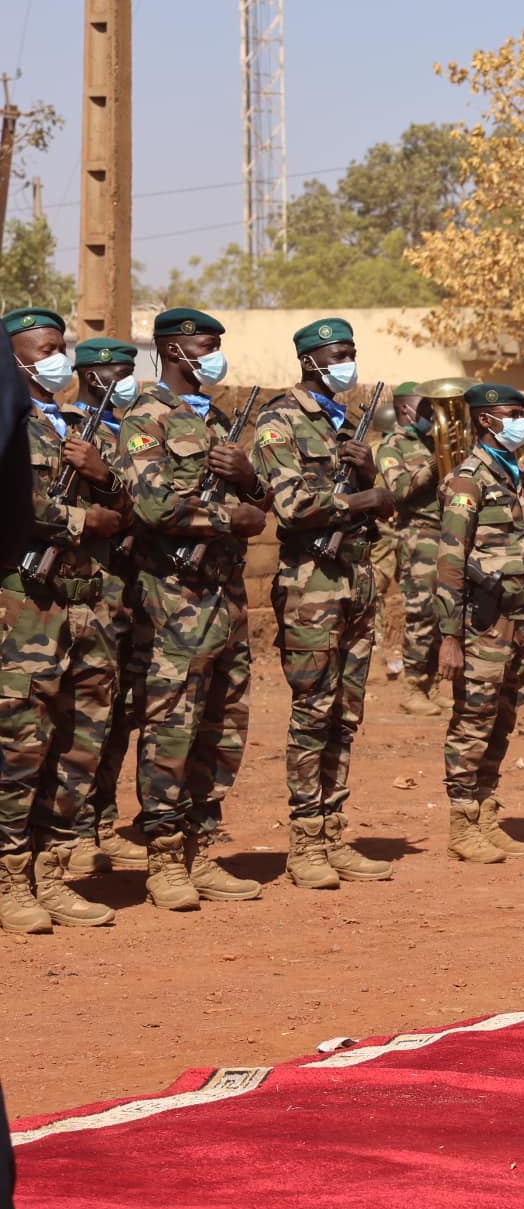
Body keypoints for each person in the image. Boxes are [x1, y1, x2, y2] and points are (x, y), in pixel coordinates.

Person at [120, 308, 272, 911]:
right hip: (173, 602)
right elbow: (151, 508)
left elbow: (258, 502)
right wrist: (228, 517)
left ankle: (202, 848)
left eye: (216, 345)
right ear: (173, 350)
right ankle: (163, 859)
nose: (214, 355)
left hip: (226, 600)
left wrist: (250, 478)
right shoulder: (144, 420)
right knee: (171, 728)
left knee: (223, 726)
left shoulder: (220, 421)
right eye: (205, 345)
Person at [248, 317, 397, 888]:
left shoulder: (345, 424)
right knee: (313, 712)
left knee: (346, 713)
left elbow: (369, 507)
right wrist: (366, 492)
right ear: (310, 360)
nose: (347, 364)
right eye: (338, 354)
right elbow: (291, 505)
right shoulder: (279, 421)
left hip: (355, 578)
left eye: (351, 353)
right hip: (311, 584)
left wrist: (368, 471)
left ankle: (334, 832)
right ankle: (305, 842)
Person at [0, 308, 129, 932]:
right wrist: (82, 521)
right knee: (21, 746)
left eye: (61, 347)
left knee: (80, 743)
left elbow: (134, 503)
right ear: (15, 359)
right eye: (44, 349)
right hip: (26, 611)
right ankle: (9, 881)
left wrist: (105, 481)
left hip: (90, 607)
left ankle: (52, 875)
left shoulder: (84, 423)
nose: (57, 359)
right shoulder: (8, 426)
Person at [434, 382, 524, 863]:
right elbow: (450, 562)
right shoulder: (468, 479)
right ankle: (461, 824)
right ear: (485, 419)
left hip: (519, 617)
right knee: (472, 722)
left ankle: (486, 815)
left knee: (502, 719)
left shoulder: (516, 475)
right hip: (483, 622)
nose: (520, 420)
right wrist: (449, 636)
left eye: (522, 412)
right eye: (510, 412)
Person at [70, 337, 151, 877]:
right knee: (81, 715)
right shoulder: (71, 430)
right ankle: (72, 831)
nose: (125, 380)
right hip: (87, 590)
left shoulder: (130, 432)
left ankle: (101, 820)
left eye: (130, 370)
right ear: (92, 375)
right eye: (117, 371)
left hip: (131, 591)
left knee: (121, 712)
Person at [375, 382, 449, 718]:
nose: (432, 416)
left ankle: (431, 685)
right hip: (418, 535)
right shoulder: (392, 446)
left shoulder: (432, 442)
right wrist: (437, 464)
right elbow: (400, 488)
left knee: (442, 614)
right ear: (405, 410)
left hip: (447, 533)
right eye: (425, 409)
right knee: (421, 613)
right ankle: (413, 688)